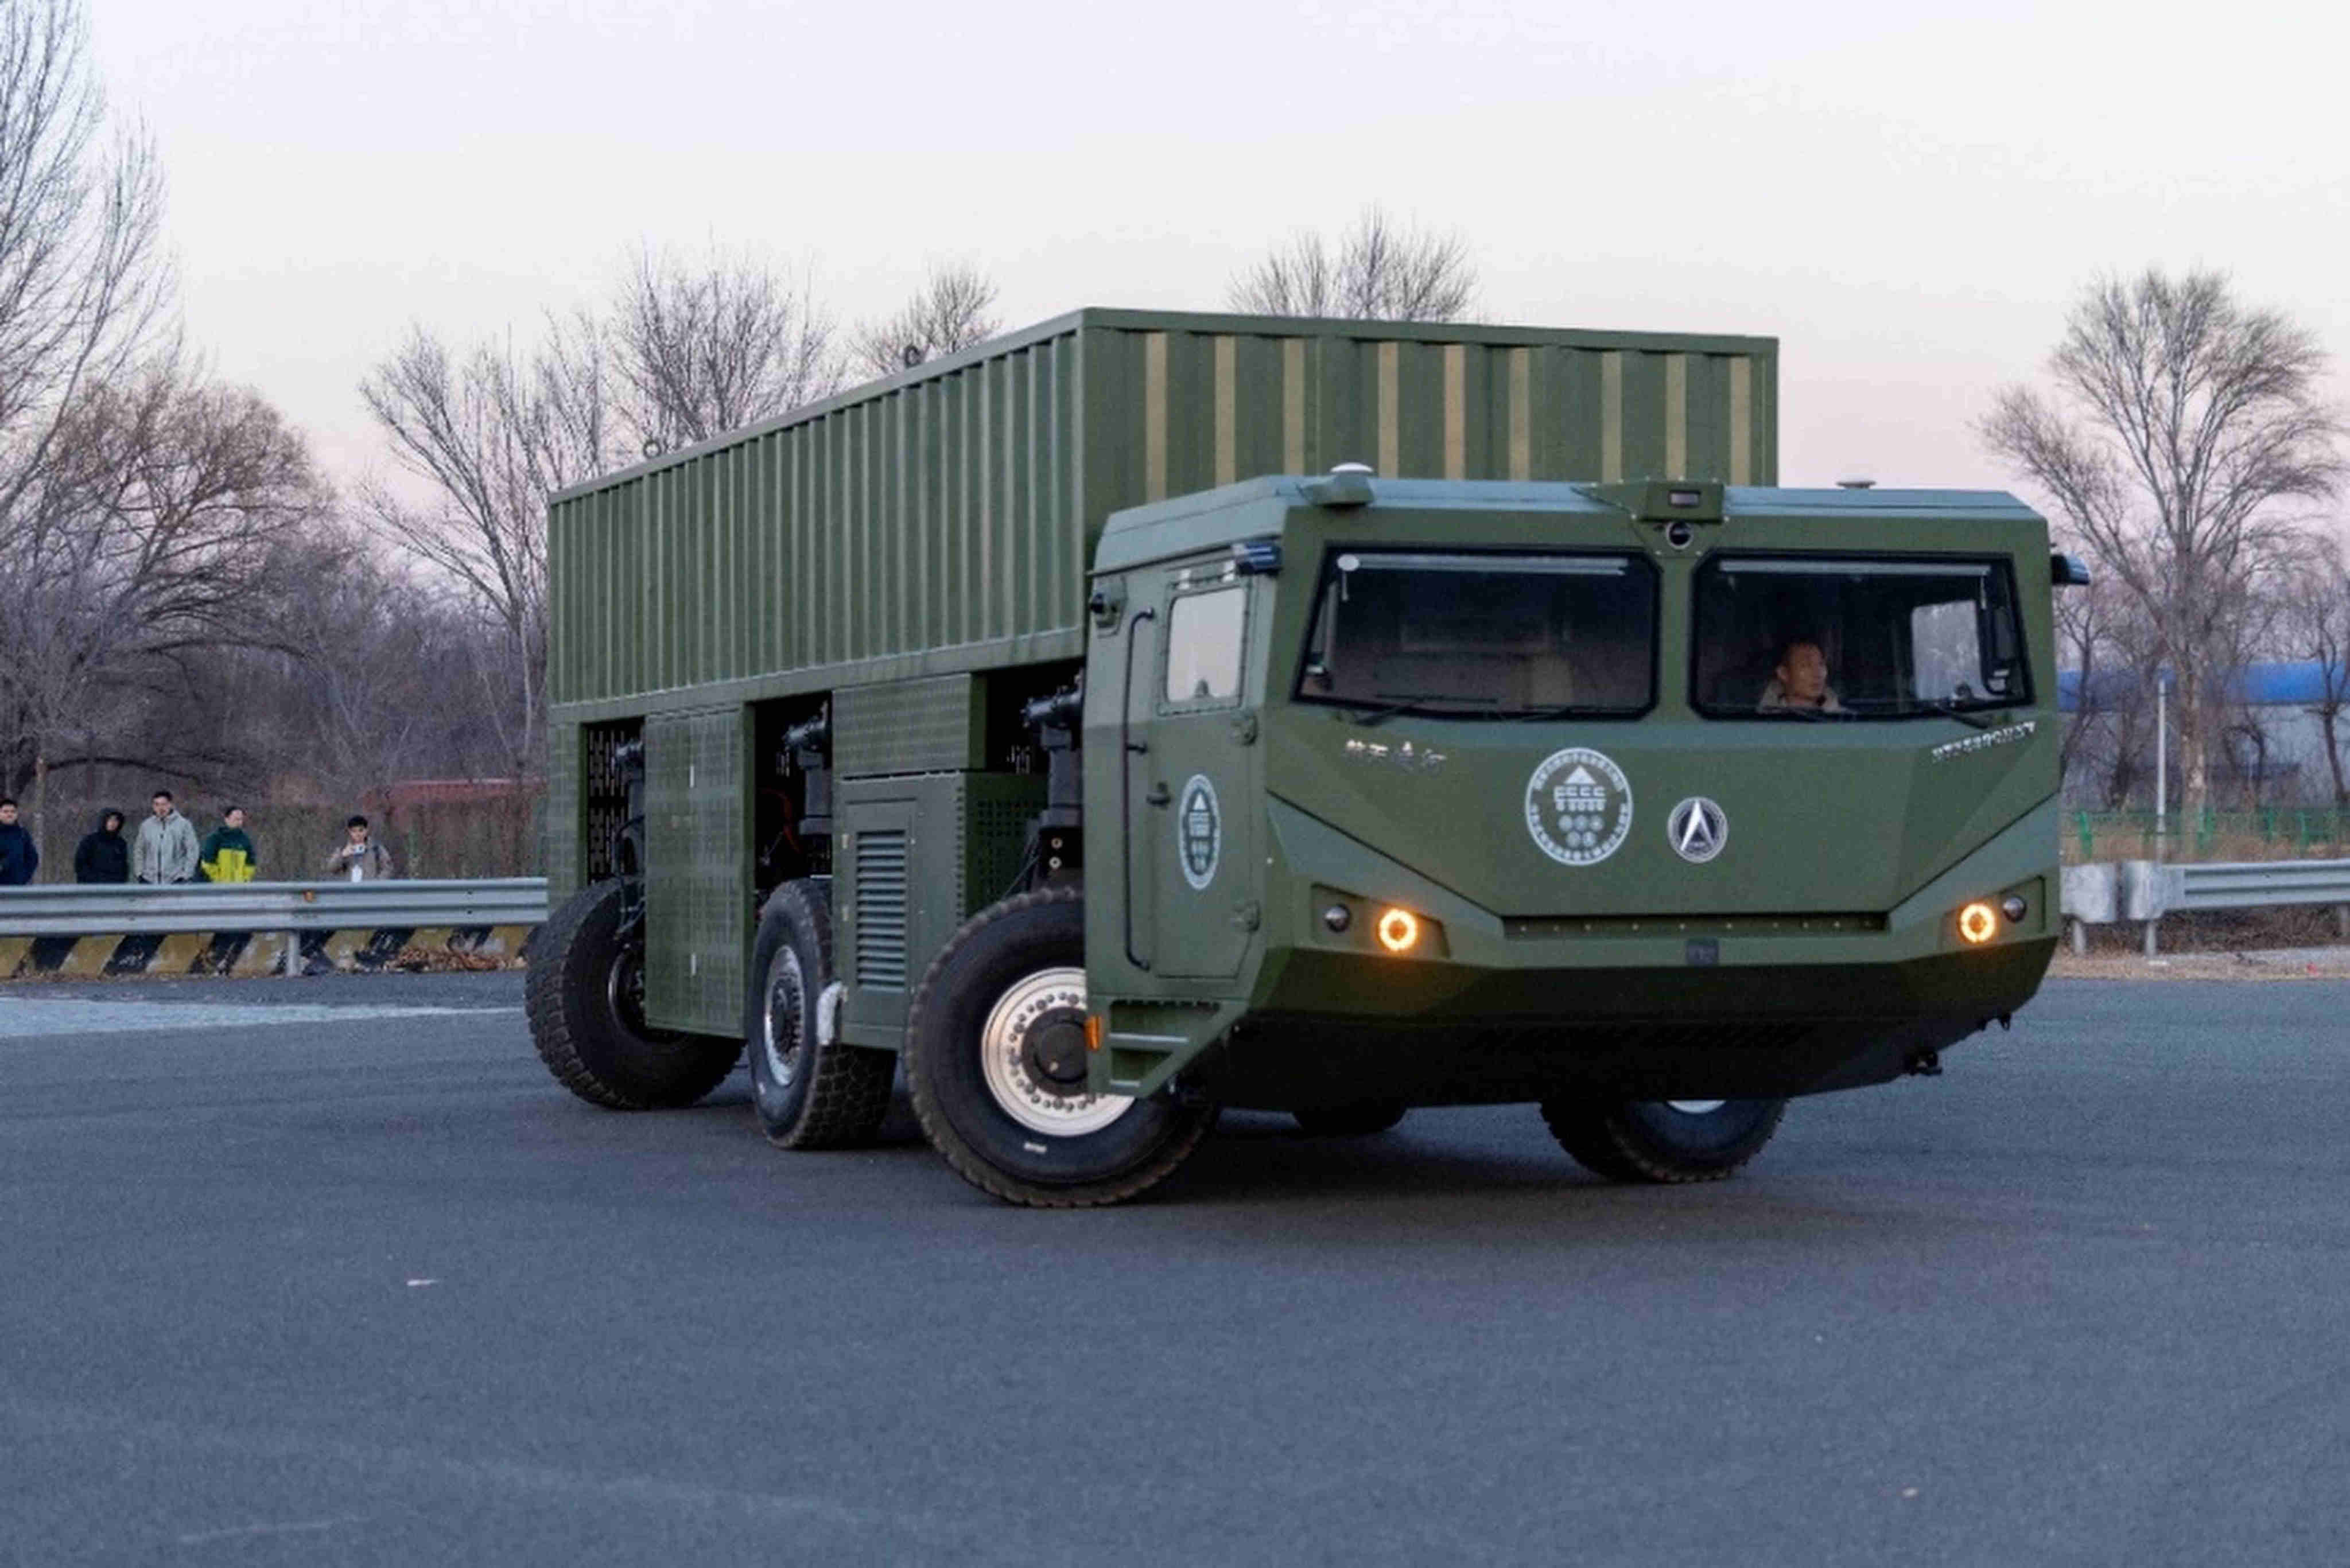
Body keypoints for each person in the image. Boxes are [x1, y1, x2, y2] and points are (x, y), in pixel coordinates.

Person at [1758, 637, 1844, 714]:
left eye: (1821, 664)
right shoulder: (1761, 722)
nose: (1818, 674)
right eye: (1806, 665)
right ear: (1783, 673)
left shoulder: (1845, 721)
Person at [134, 790, 200, 884]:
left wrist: (186, 875)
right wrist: (139, 874)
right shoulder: (146, 826)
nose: (161, 808)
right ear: (153, 806)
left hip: (176, 880)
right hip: (149, 880)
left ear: (171, 805)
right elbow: (139, 850)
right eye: (157, 805)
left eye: (164, 804)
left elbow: (193, 851)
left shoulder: (184, 825)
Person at [323, 815, 394, 881]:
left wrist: (376, 883)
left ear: (366, 831)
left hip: (370, 892)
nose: (358, 834)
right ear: (350, 832)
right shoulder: (343, 848)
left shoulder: (376, 849)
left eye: (361, 830)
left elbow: (388, 868)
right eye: (354, 831)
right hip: (349, 891)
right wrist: (342, 856)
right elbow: (331, 868)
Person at [199, 805, 259, 883]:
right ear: (227, 819)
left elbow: (251, 863)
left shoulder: (245, 840)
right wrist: (217, 879)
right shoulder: (215, 838)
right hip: (218, 887)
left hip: (239, 887)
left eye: (241, 819)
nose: (239, 822)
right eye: (236, 819)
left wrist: (245, 879)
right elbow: (208, 863)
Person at [73, 808, 130, 884]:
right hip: (92, 887)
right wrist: (92, 881)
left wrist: (120, 882)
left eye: (116, 820)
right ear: (104, 821)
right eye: (110, 820)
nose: (113, 823)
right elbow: (80, 865)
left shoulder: (121, 844)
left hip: (114, 888)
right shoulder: (90, 841)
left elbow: (124, 868)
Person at [0, 798, 37, 885]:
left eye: (13, 812)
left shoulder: (23, 834)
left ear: (17, 814)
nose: (9, 814)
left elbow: (32, 858)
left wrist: (24, 877)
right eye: (5, 812)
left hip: (18, 887)